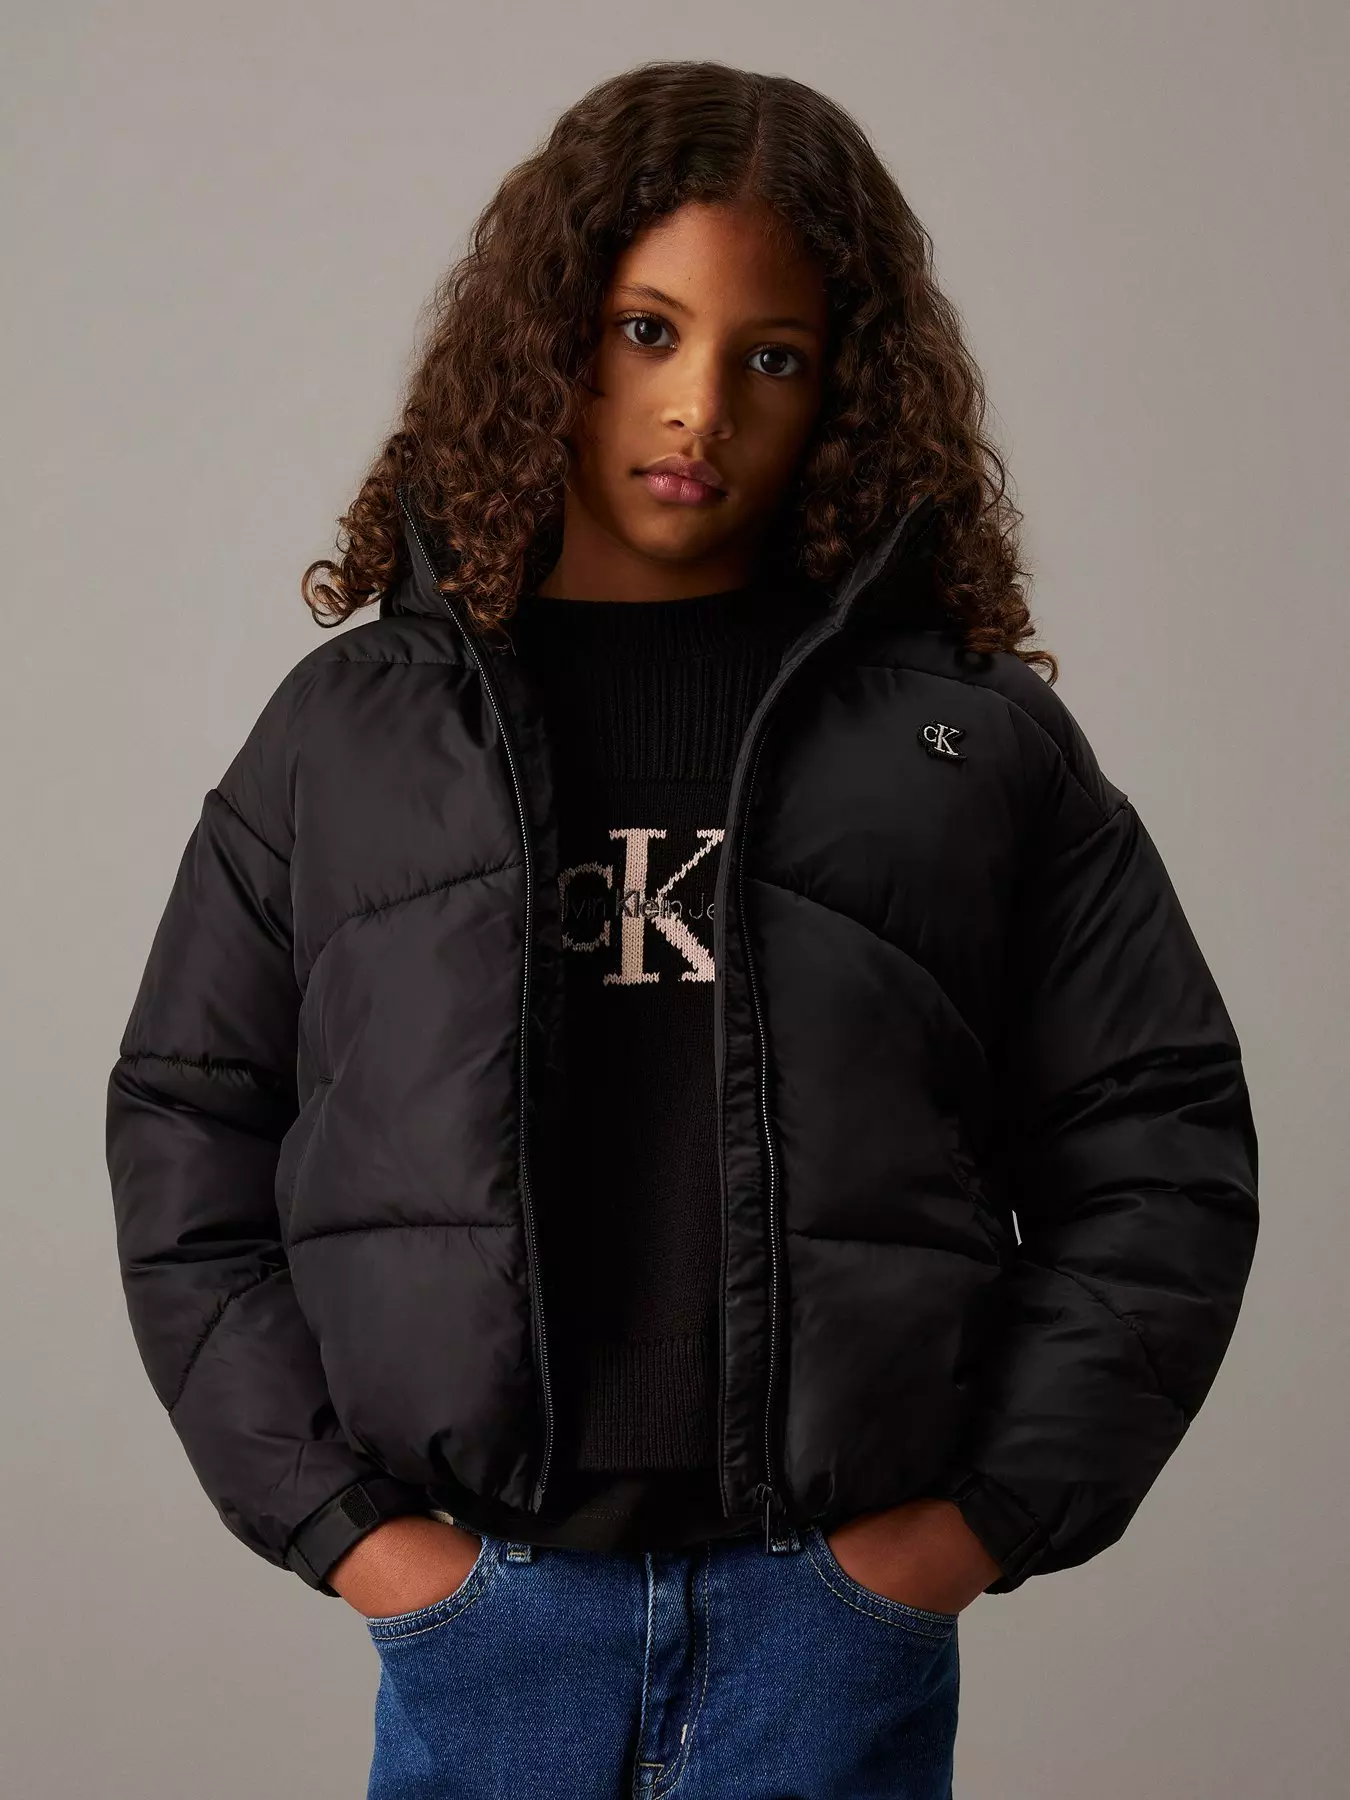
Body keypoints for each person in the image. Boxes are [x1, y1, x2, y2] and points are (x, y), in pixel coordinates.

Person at [104, 59, 1260, 1800]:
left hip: (828, 1623)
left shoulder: (965, 741)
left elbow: (1157, 1140)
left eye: (770, 357)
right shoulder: (349, 735)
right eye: (645, 332)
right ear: (544, 342)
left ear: (844, 392)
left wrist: (968, 1527)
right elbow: (187, 1130)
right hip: (484, 1621)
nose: (698, 405)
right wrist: (356, 1537)